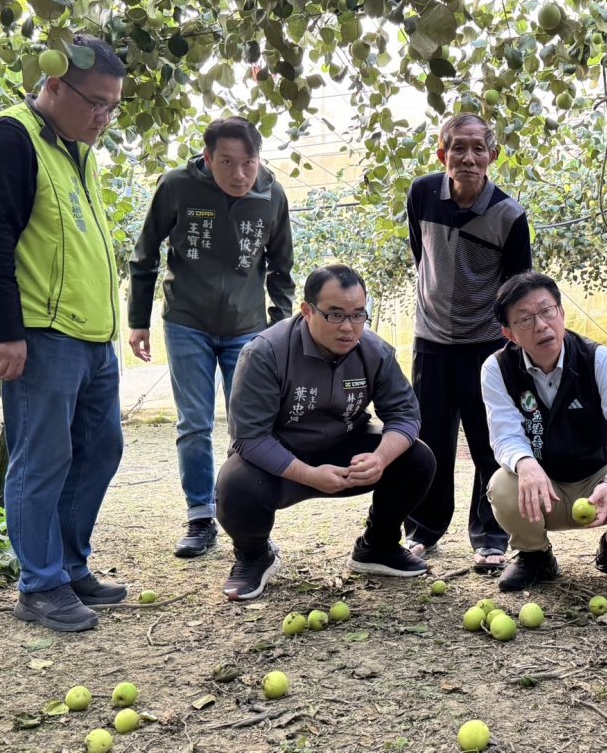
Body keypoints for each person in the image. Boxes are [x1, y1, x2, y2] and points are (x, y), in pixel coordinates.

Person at [0, 36, 128, 632]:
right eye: (97, 104)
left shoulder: (76, 149)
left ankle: (68, 564)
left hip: (92, 337)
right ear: (53, 84)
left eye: (114, 106)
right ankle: (39, 585)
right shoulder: (9, 139)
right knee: (42, 458)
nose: (104, 118)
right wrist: (4, 332)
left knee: (102, 447)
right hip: (40, 334)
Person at [213, 264, 435, 600]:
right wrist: (310, 475)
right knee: (236, 483)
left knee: (417, 457)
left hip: (345, 447)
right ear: (307, 311)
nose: (348, 327)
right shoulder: (264, 353)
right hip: (280, 458)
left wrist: (380, 458)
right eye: (335, 315)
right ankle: (253, 555)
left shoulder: (374, 352)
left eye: (358, 315)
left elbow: (404, 414)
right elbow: (250, 437)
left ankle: (377, 545)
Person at [128, 117, 295, 559]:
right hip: (187, 323)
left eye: (248, 163)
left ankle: (249, 519)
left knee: (251, 426)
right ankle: (200, 516)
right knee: (194, 423)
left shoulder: (272, 194)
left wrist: (282, 328)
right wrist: (137, 320)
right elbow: (144, 254)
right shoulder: (178, 186)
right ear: (207, 158)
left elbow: (282, 269)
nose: (240, 175)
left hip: (248, 329)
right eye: (227, 163)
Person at [481, 272, 607, 593]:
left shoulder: (600, 361)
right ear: (509, 333)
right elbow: (504, 436)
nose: (541, 325)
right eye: (525, 319)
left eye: (547, 311)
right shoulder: (496, 369)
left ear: (562, 312)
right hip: (544, 488)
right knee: (502, 485)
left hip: (599, 481)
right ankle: (535, 556)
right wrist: (526, 465)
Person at [403, 113, 532, 572]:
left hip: (484, 347)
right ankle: (422, 531)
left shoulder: (510, 216)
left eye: (479, 148)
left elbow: (516, 288)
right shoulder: (421, 194)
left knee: (487, 442)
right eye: (458, 147)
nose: (468, 157)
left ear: (492, 156)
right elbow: (423, 256)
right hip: (432, 341)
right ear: (443, 154)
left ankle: (492, 537)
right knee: (429, 439)